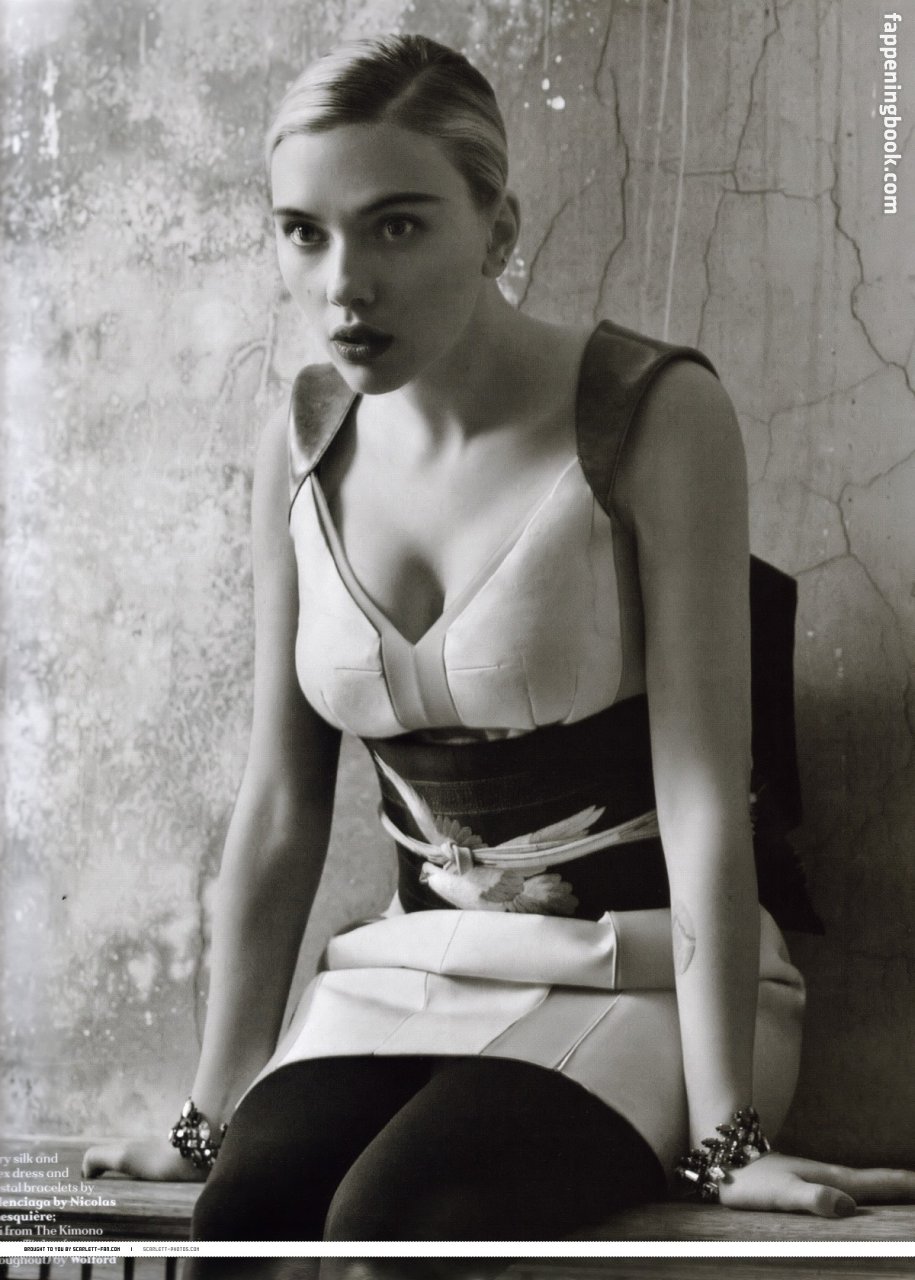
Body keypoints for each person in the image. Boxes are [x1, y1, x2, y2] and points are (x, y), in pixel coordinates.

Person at [83, 34, 915, 1256]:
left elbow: (703, 796)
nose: (345, 284)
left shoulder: (652, 413)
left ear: (498, 226)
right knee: (245, 1220)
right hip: (406, 968)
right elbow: (278, 806)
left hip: (639, 975)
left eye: (397, 226)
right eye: (304, 231)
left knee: (396, 1223)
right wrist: (206, 1117)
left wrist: (728, 1133)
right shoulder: (301, 446)